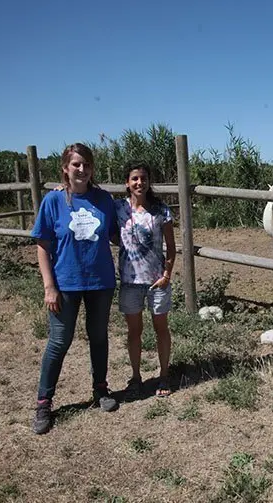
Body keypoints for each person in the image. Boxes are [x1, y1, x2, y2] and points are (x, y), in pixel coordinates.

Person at [30, 143, 120, 435]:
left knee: (98, 337)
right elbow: (43, 246)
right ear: (65, 168)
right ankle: (44, 401)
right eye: (76, 165)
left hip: (101, 282)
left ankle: (101, 389)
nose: (82, 170)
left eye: (87, 165)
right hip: (65, 283)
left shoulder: (104, 200)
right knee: (59, 341)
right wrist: (49, 286)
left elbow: (119, 234)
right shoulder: (53, 201)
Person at [115, 160, 176, 398]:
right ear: (127, 183)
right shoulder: (118, 208)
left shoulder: (161, 210)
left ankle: (164, 374)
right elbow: (91, 198)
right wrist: (63, 187)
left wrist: (166, 274)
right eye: (134, 179)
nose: (139, 182)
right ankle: (136, 377)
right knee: (134, 331)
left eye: (143, 178)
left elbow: (171, 247)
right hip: (130, 282)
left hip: (156, 281)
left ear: (149, 182)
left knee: (161, 329)